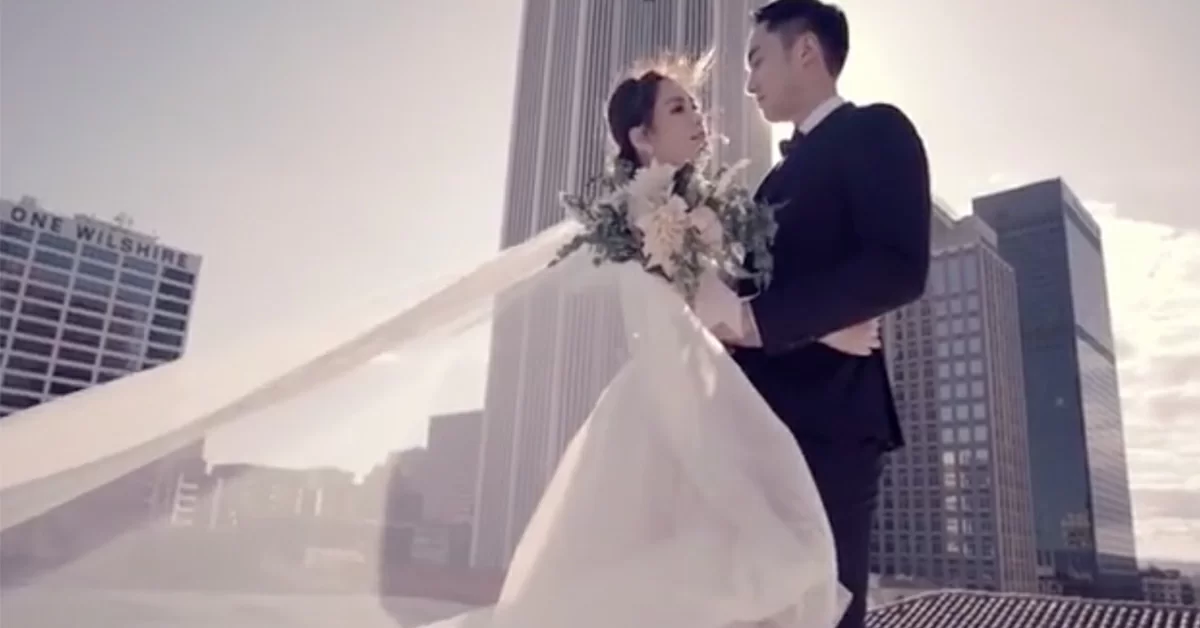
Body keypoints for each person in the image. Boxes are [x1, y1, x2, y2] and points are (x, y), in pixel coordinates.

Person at [696, 2, 933, 627]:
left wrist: (760, 323)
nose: (750, 83)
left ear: (805, 50)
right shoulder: (769, 182)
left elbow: (898, 266)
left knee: (821, 610)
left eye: (756, 61)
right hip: (751, 426)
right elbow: (749, 300)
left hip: (830, 424)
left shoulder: (876, 130)